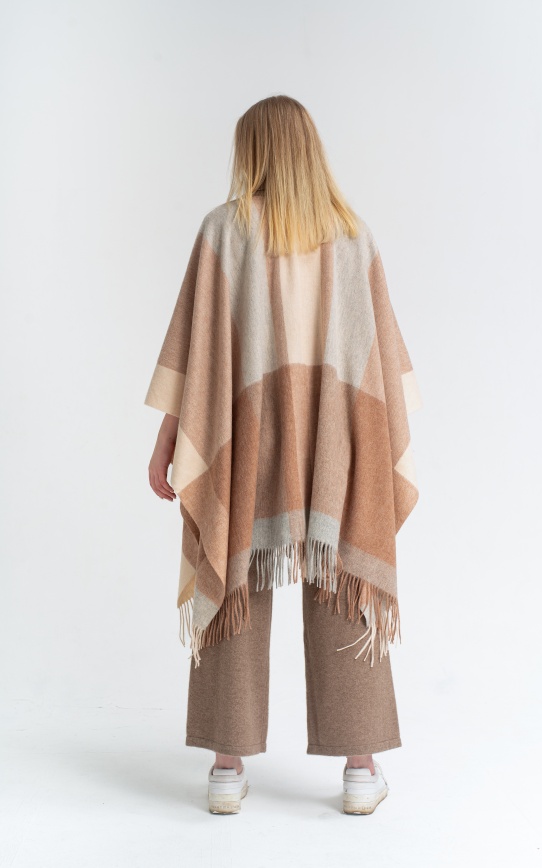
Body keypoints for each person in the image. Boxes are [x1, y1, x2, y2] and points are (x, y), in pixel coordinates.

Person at [145, 95, 422, 815]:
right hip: (334, 443)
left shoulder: (224, 231)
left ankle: (226, 768)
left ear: (255, 150)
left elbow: (198, 360)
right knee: (343, 579)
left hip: (247, 440)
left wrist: (170, 439)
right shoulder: (351, 237)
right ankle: (360, 770)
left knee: (234, 576)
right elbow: (379, 375)